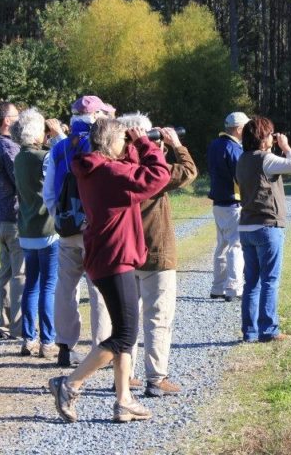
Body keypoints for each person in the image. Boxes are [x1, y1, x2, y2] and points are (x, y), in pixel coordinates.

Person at [48, 118, 170, 423]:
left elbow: (126, 170)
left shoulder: (92, 167)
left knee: (123, 333)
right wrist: (145, 144)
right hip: (115, 259)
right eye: (123, 141)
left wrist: (132, 147)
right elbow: (157, 176)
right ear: (113, 142)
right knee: (125, 335)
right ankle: (69, 383)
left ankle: (123, 400)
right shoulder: (111, 173)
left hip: (106, 257)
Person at [118, 113, 197, 397]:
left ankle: (125, 376)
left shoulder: (116, 168)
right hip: (156, 253)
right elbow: (188, 171)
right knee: (158, 317)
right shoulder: (154, 172)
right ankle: (156, 378)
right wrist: (175, 144)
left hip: (125, 253)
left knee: (127, 319)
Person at [42, 95, 115, 368]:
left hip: (67, 228)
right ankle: (101, 348)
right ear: (97, 117)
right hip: (94, 227)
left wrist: (59, 217)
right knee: (99, 288)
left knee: (66, 286)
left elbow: (49, 190)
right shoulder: (100, 144)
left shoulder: (59, 147)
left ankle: (65, 345)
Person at [235, 116, 291, 343]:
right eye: (270, 135)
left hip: (246, 227)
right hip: (267, 226)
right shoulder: (266, 159)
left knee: (251, 282)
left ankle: (250, 332)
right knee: (270, 281)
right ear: (263, 138)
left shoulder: (242, 159)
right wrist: (285, 146)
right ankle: (268, 330)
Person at [12, 108, 60, 358]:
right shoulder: (44, 157)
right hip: (47, 229)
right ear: (35, 133)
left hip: (26, 229)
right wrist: (59, 136)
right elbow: (66, 165)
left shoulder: (19, 158)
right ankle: (48, 340)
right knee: (49, 286)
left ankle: (29, 338)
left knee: (32, 284)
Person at [0, 101, 25, 340]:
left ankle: (4, 323)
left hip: (1, 216)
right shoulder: (9, 148)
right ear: (7, 121)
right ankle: (19, 327)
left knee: (6, 272)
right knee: (19, 273)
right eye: (16, 116)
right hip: (14, 216)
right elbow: (20, 181)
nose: (19, 119)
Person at [207, 111, 249, 301]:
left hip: (218, 202)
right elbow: (240, 176)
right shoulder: (234, 148)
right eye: (245, 128)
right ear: (239, 129)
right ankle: (233, 288)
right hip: (234, 201)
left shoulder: (215, 145)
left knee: (222, 245)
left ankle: (218, 287)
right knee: (236, 245)